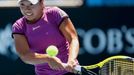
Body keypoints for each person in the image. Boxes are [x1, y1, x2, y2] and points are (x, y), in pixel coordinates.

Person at [12, 0, 80, 75]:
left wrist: (71, 60)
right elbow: (25, 55)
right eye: (22, 4)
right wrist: (48, 58)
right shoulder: (18, 27)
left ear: (42, 3)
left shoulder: (55, 13)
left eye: (31, 4)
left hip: (70, 71)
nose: (26, 9)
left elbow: (73, 39)